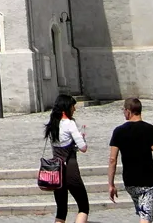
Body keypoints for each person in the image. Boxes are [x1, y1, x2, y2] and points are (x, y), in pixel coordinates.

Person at [107, 97, 153, 223]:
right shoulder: (149, 129)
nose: (123, 113)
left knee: (143, 215)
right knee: (145, 218)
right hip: (147, 182)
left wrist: (111, 184)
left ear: (128, 111)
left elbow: (112, 159)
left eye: (123, 110)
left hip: (130, 182)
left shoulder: (118, 131)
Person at [44, 93, 89, 223]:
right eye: (73, 106)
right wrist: (81, 138)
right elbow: (83, 147)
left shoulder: (53, 124)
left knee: (61, 209)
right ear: (67, 108)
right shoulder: (70, 124)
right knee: (83, 206)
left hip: (56, 171)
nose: (74, 109)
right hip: (70, 169)